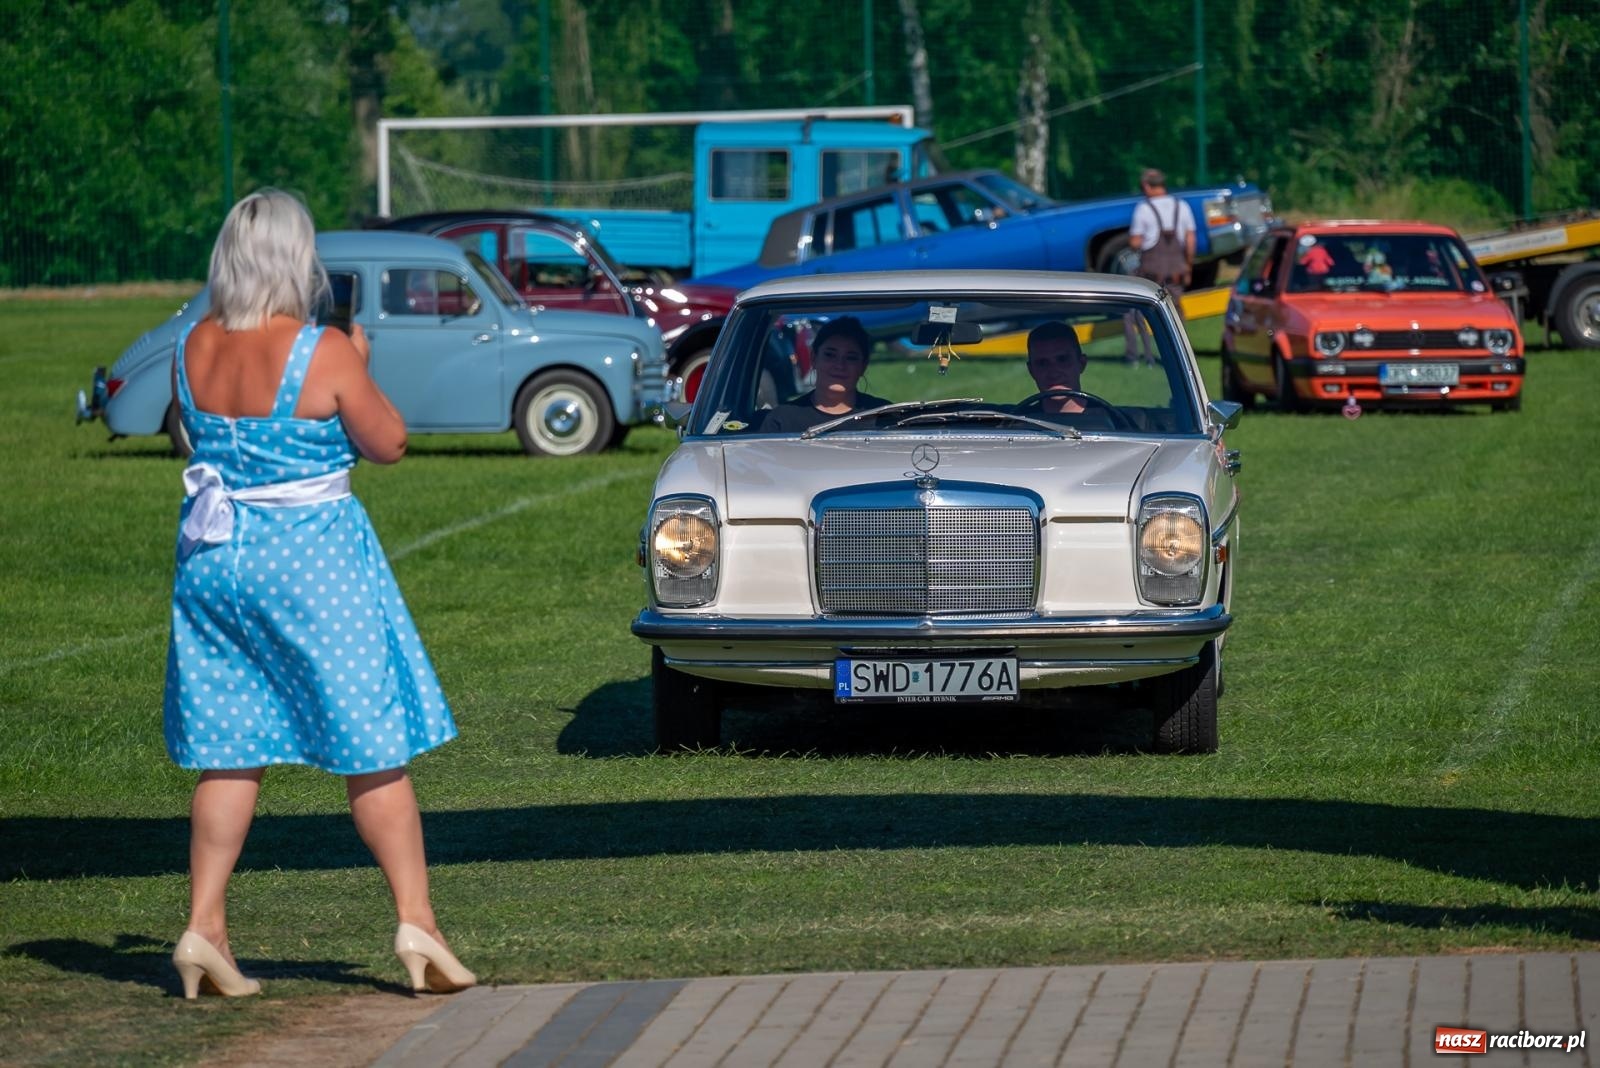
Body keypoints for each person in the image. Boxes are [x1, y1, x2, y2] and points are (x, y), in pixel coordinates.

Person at [164, 190, 473, 1000]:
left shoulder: (192, 343)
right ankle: (418, 922)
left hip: (215, 560)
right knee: (370, 744)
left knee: (232, 748)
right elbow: (390, 444)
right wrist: (359, 366)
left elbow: (195, 432)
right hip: (310, 566)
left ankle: (205, 925)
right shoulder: (323, 348)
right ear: (295, 260)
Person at [758, 316, 890, 432]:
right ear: (814, 359)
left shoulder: (887, 418)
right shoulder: (781, 420)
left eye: (851, 357)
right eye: (830, 355)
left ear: (863, 366)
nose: (840, 365)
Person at [1125, 168, 1196, 364]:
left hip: (1150, 275)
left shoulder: (1143, 209)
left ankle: (1139, 356)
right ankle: (1181, 357)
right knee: (1176, 315)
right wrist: (1189, 267)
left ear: (1147, 186)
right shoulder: (1182, 206)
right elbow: (1190, 241)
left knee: (1135, 314)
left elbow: (1135, 242)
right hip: (1176, 272)